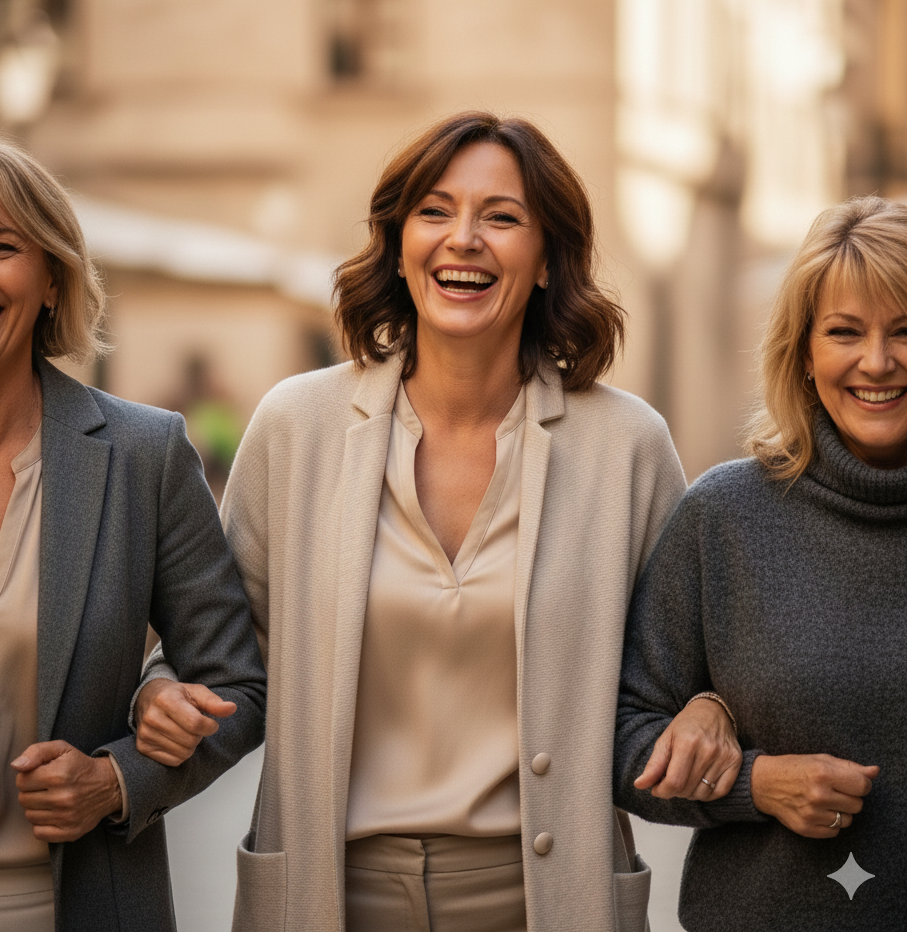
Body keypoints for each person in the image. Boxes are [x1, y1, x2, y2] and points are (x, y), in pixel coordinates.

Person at [134, 111, 730, 932]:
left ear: (549, 259)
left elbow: (684, 669)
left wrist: (714, 709)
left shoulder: (627, 445)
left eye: (503, 217)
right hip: (331, 893)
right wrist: (162, 693)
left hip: (545, 899)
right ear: (398, 242)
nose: (465, 239)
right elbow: (224, 654)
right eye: (435, 211)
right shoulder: (295, 426)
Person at [0, 137, 266, 932]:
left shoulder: (144, 455)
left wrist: (119, 778)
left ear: (52, 279)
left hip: (90, 905)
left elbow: (239, 680)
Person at [614, 195, 907, 931]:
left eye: (906, 332)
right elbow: (622, 743)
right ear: (804, 353)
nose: (878, 361)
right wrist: (756, 783)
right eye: (845, 332)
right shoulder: (726, 516)